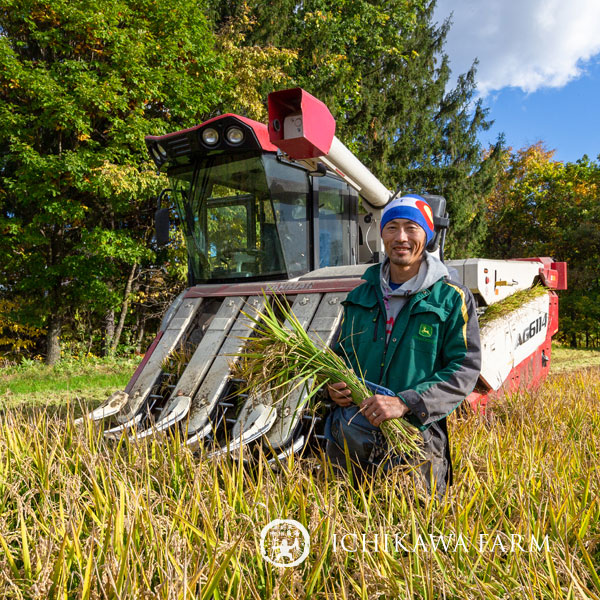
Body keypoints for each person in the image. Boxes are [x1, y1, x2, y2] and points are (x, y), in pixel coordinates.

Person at [324, 194, 481, 496]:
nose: (401, 237)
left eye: (412, 227)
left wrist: (406, 402)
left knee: (409, 530)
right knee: (343, 521)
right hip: (350, 437)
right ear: (381, 234)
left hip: (413, 437)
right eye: (392, 227)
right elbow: (340, 357)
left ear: (428, 235)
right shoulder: (360, 296)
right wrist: (332, 387)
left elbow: (464, 369)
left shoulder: (451, 299)